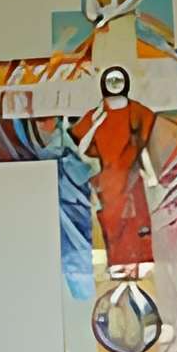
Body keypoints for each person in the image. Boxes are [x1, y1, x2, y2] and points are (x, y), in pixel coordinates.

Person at [69, 65, 158, 270]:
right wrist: (96, 123)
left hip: (134, 178)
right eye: (111, 81)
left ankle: (143, 262)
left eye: (118, 80)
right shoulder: (96, 114)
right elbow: (82, 148)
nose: (115, 85)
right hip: (108, 181)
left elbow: (144, 145)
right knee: (113, 223)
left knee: (139, 222)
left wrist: (151, 174)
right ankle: (117, 264)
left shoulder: (137, 111)